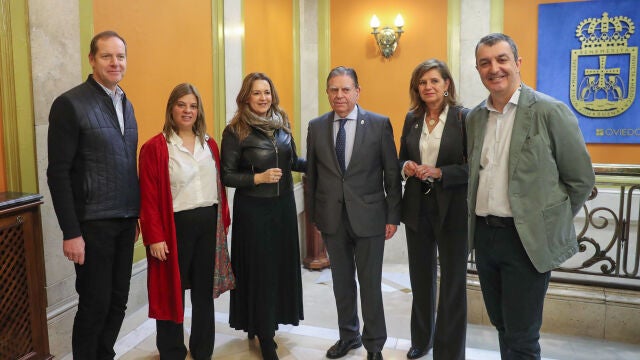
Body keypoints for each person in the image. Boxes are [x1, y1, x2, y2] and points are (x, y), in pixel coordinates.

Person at [467, 33, 595, 359]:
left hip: (525, 241)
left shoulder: (550, 112)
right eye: (485, 63)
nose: (494, 68)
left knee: (522, 336)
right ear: (478, 69)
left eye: (501, 59)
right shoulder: (474, 118)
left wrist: (545, 224)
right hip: (484, 237)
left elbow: (580, 180)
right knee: (501, 325)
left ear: (517, 63)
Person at [47, 30, 140, 359]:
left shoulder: (125, 103)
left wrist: (135, 212)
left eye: (121, 56)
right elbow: (57, 173)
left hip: (125, 220)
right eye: (107, 56)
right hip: (92, 224)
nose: (115, 63)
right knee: (94, 304)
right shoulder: (70, 104)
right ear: (91, 59)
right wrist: (71, 232)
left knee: (118, 301)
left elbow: (126, 163)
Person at [305, 66, 402, 360]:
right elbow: (313, 174)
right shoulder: (317, 126)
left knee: (370, 284)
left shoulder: (379, 124)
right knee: (342, 283)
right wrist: (314, 217)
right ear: (327, 93)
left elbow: (392, 175)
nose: (339, 95)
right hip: (332, 219)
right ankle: (349, 336)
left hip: (370, 219)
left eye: (346, 89)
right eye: (334, 89)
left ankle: (374, 345)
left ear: (357, 92)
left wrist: (392, 216)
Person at [138, 83, 233, 359]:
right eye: (182, 105)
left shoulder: (210, 144)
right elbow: (148, 196)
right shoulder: (155, 147)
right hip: (173, 228)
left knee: (204, 293)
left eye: (193, 106)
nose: (187, 111)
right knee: (172, 291)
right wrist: (154, 236)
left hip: (208, 226)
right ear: (171, 109)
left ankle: (203, 349)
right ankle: (171, 350)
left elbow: (219, 188)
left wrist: (222, 225)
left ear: (199, 110)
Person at [221, 72, 305, 360]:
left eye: (266, 92)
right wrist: (259, 178)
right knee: (259, 270)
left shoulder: (282, 125)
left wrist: (324, 162)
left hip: (282, 209)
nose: (263, 98)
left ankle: (267, 323)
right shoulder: (236, 131)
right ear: (246, 97)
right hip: (254, 210)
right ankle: (264, 333)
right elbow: (227, 175)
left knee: (278, 269)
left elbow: (293, 160)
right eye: (256, 93)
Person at [399, 59, 469, 360]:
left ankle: (450, 350)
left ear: (446, 84)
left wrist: (441, 173)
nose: (428, 87)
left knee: (453, 281)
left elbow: (473, 168)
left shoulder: (464, 118)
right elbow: (400, 158)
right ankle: (421, 340)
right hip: (417, 207)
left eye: (434, 81)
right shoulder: (412, 117)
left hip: (452, 209)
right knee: (420, 277)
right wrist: (407, 167)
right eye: (422, 82)